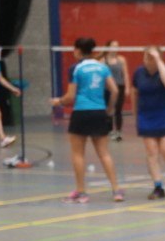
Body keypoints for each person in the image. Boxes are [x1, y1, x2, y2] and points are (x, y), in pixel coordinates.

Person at [50, 37, 123, 203]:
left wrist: (58, 102)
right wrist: (109, 110)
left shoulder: (75, 68)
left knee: (78, 154)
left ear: (77, 50)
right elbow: (115, 91)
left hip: (81, 113)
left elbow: (70, 97)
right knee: (104, 153)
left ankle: (82, 192)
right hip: (99, 113)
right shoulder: (103, 67)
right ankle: (116, 191)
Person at [131, 46, 165, 200]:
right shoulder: (139, 73)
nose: (148, 60)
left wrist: (159, 61)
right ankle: (158, 187)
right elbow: (134, 92)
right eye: (146, 57)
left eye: (152, 57)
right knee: (151, 153)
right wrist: (135, 114)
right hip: (146, 117)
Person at [102, 40, 128, 141]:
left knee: (118, 109)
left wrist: (127, 87)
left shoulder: (121, 59)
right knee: (109, 109)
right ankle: (109, 130)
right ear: (108, 47)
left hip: (120, 86)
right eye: (113, 46)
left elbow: (125, 74)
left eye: (117, 46)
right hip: (107, 88)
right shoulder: (102, 60)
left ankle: (118, 131)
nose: (115, 48)